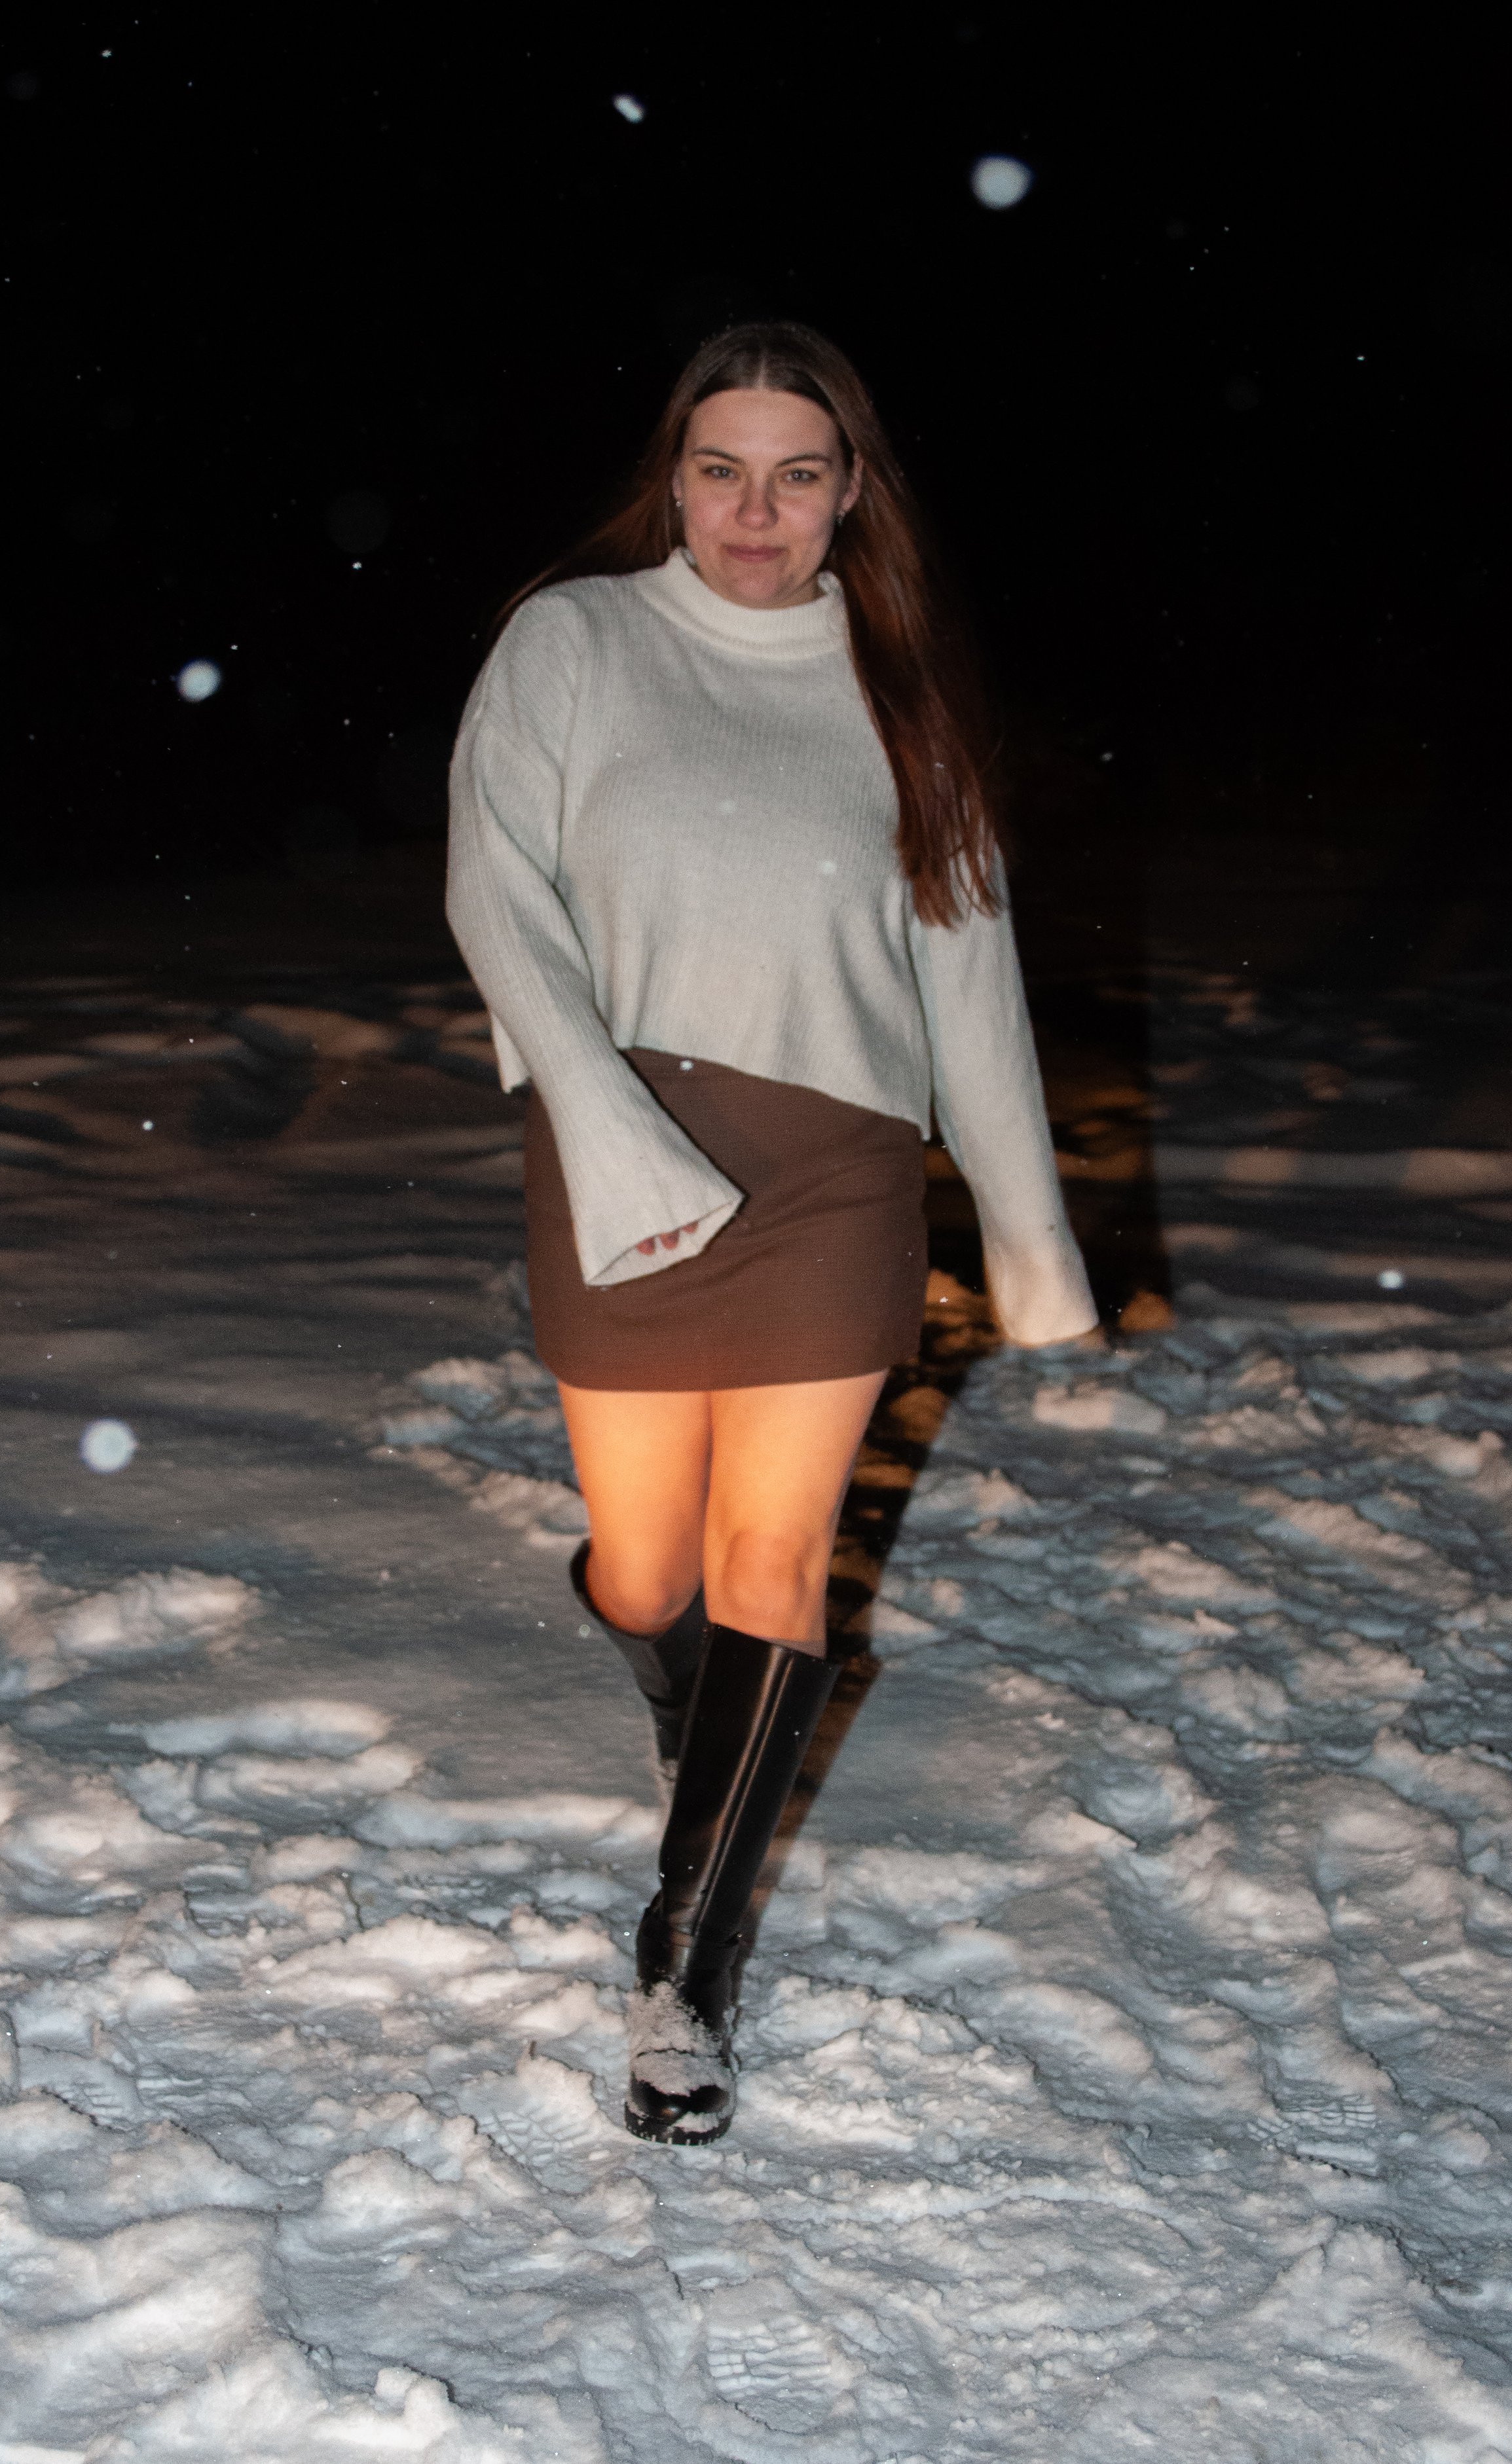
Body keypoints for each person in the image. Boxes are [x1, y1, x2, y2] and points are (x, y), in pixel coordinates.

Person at [446, 323, 1097, 2146]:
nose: (756, 509)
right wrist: (601, 1119)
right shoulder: (572, 644)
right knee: (647, 1572)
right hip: (620, 1136)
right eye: (720, 469)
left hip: (833, 1175)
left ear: (849, 490)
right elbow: (492, 890)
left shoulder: (900, 694)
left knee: (772, 1558)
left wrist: (1025, 1230)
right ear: (673, 477)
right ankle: (695, 1706)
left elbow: (971, 986)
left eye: (797, 472)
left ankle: (681, 1970)